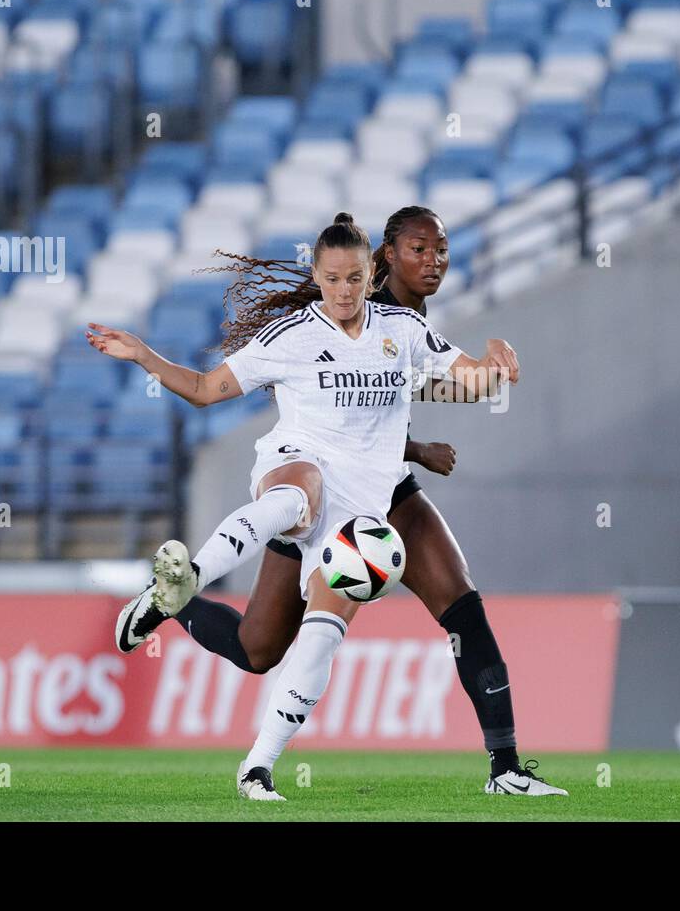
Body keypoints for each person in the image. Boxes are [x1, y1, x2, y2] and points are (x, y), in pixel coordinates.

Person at [88, 212, 559, 801]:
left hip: (369, 506)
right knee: (288, 526)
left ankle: (502, 767)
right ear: (352, 266)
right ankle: (189, 582)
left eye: (354, 279)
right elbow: (210, 390)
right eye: (420, 249)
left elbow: (450, 384)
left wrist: (496, 361)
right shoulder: (297, 334)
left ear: (370, 274)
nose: (435, 259)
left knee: (302, 640)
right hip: (305, 471)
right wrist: (143, 355)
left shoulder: (403, 328)